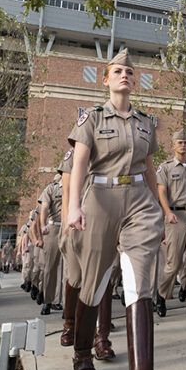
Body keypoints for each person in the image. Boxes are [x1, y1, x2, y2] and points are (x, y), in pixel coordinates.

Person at [67, 49, 165, 370]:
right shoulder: (91, 117)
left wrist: (159, 205)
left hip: (139, 200)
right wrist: (74, 206)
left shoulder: (145, 122)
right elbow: (79, 164)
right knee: (94, 283)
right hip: (101, 200)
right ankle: (81, 353)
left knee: (139, 283)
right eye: (118, 71)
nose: (125, 75)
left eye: (129, 71)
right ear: (105, 79)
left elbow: (150, 166)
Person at [56, 147, 116, 359]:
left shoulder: (108, 149)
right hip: (76, 222)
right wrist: (66, 224)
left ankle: (101, 337)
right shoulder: (73, 154)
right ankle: (70, 324)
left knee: (104, 278)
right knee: (75, 279)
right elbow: (66, 193)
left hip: (102, 221)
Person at [155, 129, 186, 322]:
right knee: (173, 264)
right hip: (176, 216)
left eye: (185, 142)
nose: (183, 145)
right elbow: (161, 192)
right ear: (173, 145)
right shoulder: (165, 168)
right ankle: (161, 293)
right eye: (180, 142)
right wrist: (167, 212)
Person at [36, 174, 65, 315]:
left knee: (70, 269)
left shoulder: (79, 185)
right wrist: (43, 225)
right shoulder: (51, 189)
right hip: (54, 228)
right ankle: (48, 300)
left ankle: (66, 302)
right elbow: (45, 207)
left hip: (71, 228)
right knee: (51, 267)